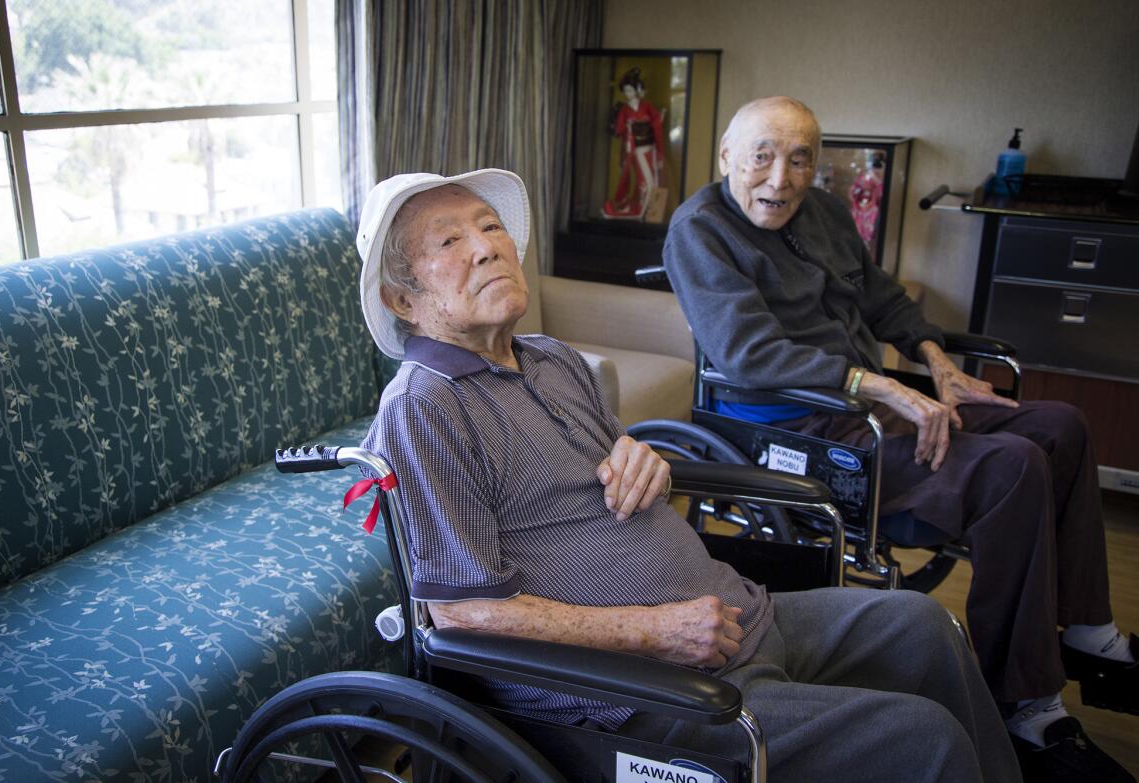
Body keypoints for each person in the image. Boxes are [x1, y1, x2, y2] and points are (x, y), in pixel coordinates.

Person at [356, 167, 1022, 782]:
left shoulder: (553, 359)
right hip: (639, 694)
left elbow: (633, 471)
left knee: (927, 627)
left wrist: (652, 463)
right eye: (449, 239)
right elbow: (462, 611)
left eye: (490, 225)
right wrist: (657, 631)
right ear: (402, 299)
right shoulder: (426, 406)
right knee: (925, 740)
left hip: (737, 616)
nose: (485, 246)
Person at [663, 95, 1136, 782]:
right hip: (799, 423)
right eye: (761, 156)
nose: (780, 177)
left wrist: (939, 366)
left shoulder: (821, 212)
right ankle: (1026, 704)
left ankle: (1087, 631)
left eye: (799, 159)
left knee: (1061, 426)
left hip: (871, 395)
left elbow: (882, 297)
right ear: (726, 157)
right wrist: (883, 385)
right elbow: (747, 351)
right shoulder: (699, 229)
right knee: (1011, 467)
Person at [602, 68, 664, 220]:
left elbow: (656, 127)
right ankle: (641, 210)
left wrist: (660, 152)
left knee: (652, 181)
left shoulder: (647, 106)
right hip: (635, 150)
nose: (628, 94)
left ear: (638, 90)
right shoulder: (624, 109)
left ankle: (647, 211)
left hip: (649, 148)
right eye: (626, 91)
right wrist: (627, 124)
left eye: (631, 90)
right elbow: (619, 129)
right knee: (644, 181)